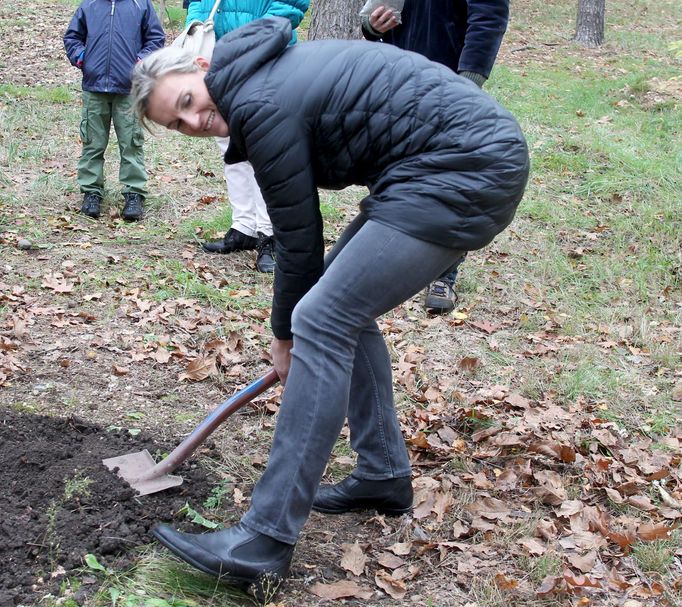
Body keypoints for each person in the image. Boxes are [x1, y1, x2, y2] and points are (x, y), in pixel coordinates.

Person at [131, 17, 529, 598]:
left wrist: (285, 334)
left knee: (320, 318)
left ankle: (263, 539)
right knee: (339, 309)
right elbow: (305, 249)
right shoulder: (258, 81)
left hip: (463, 169)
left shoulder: (261, 103)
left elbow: (297, 240)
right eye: (178, 123)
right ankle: (383, 475)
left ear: (201, 69)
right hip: (433, 169)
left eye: (188, 102)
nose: (193, 120)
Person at [361, 0, 510, 314]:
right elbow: (376, 13)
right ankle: (394, 256)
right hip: (398, 77)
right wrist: (372, 26)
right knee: (391, 172)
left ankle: (443, 275)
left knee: (449, 182)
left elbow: (489, 15)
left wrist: (465, 85)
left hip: (449, 82)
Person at [185, 0, 309, 272]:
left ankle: (270, 234)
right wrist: (194, 29)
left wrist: (248, 45)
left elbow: (291, 6)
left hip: (265, 59)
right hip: (219, 61)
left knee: (263, 150)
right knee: (230, 147)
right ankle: (244, 227)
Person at [64, 0, 165, 221]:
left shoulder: (141, 5)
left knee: (131, 142)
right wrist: (81, 56)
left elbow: (156, 39)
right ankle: (91, 192)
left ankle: (134, 194)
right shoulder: (89, 5)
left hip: (129, 89)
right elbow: (72, 37)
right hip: (94, 87)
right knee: (92, 142)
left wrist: (140, 61)